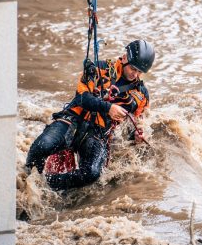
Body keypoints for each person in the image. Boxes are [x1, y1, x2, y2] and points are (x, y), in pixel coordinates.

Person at [25, 39, 154, 191]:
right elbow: (81, 97)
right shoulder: (98, 68)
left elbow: (133, 127)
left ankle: (44, 187)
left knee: (92, 173)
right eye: (133, 68)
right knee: (42, 146)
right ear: (125, 57)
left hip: (98, 134)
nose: (136, 74)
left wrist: (136, 136)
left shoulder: (141, 95)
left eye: (140, 71)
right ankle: (26, 181)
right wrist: (108, 108)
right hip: (73, 120)